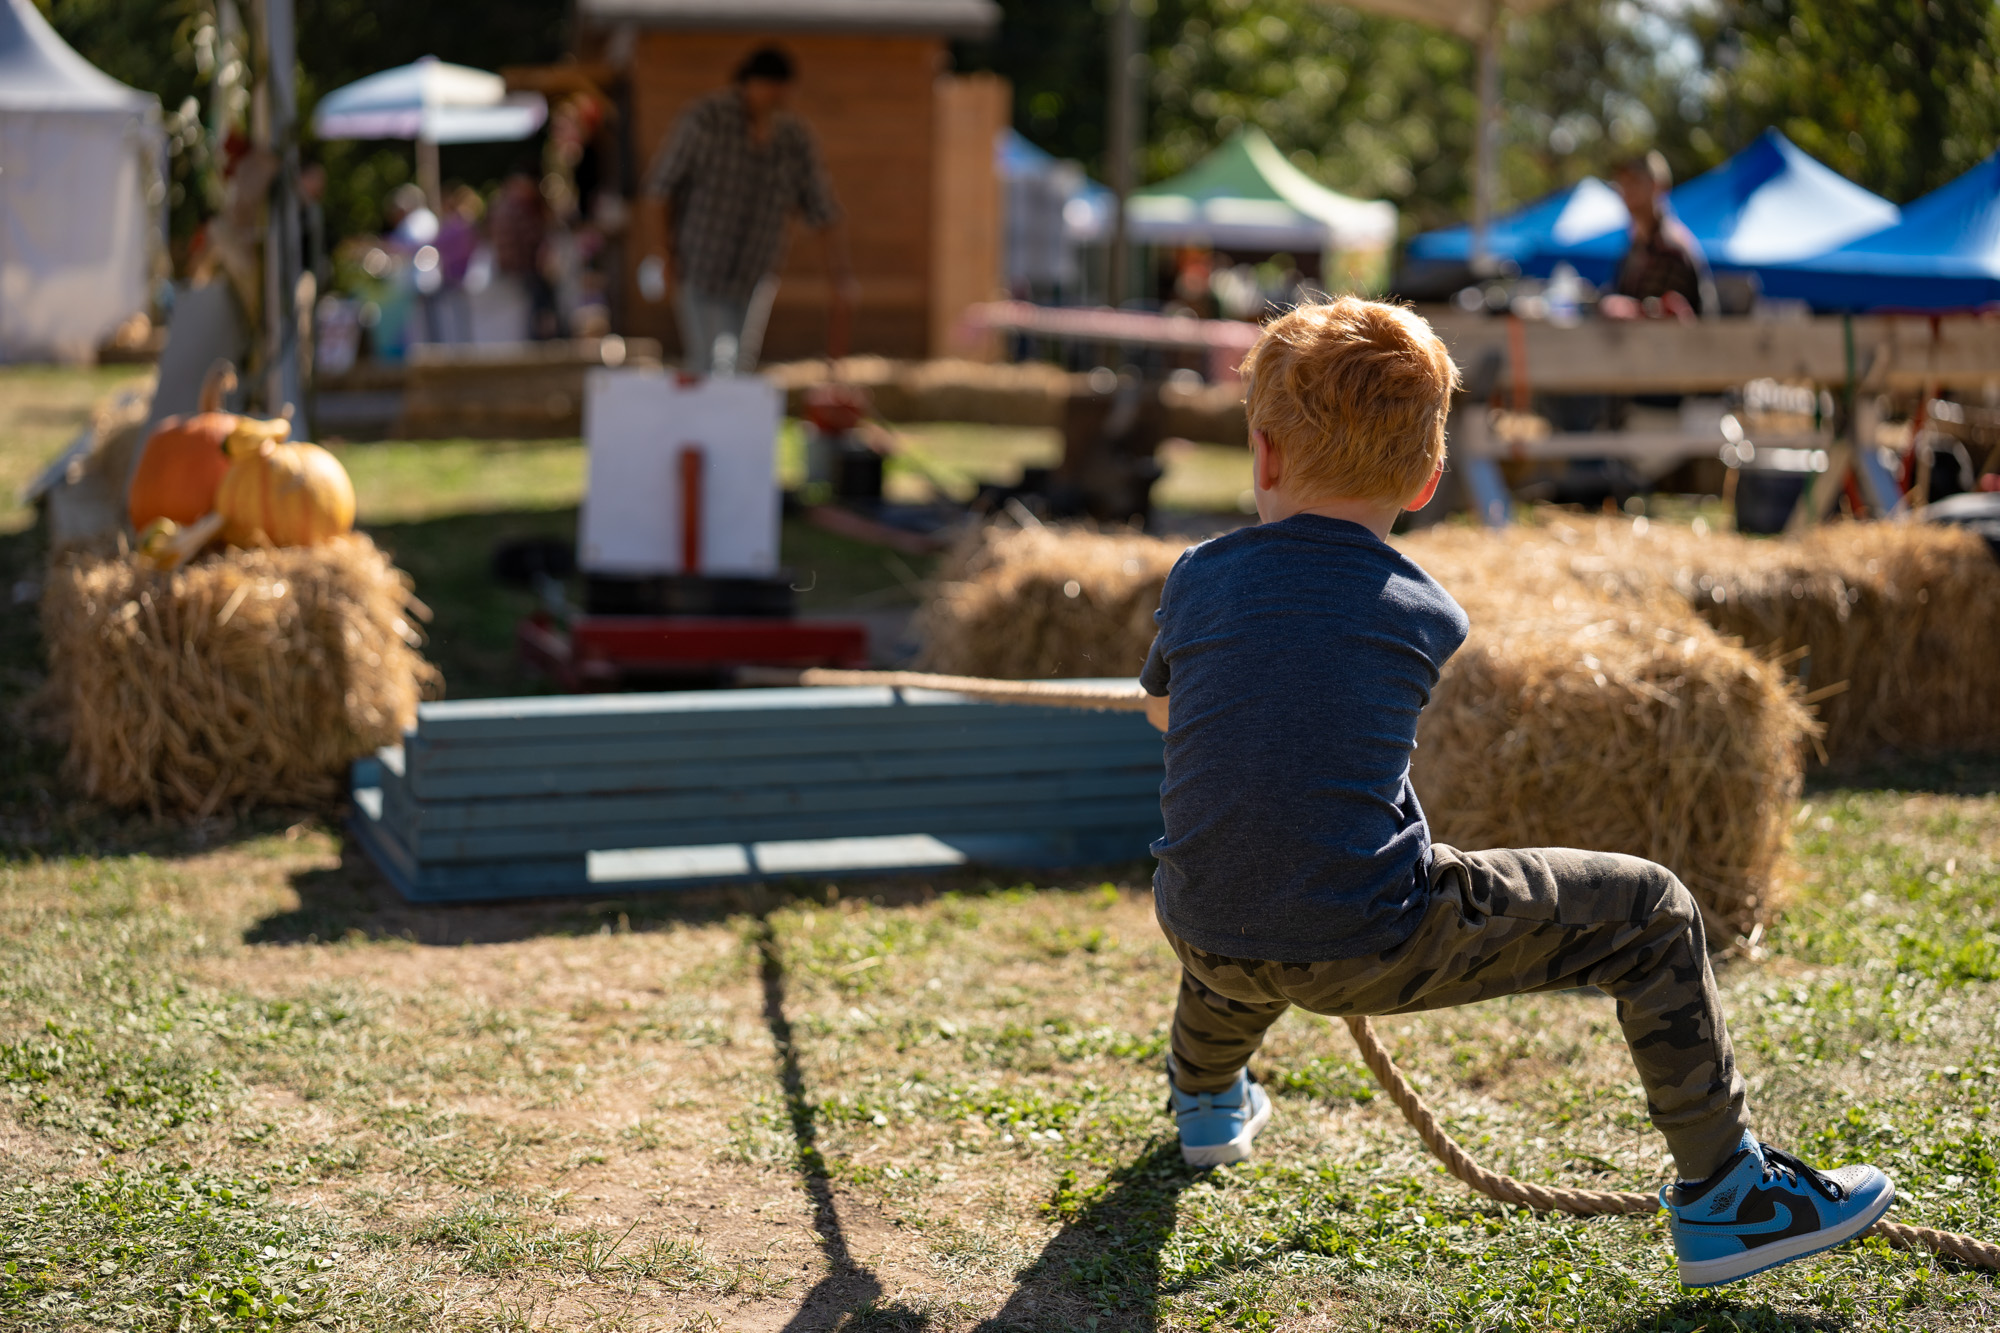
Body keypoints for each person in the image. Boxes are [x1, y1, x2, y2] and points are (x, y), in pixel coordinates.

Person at [1139, 296, 1894, 1289]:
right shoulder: (1422, 607)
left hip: (1199, 929)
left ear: (1263, 457)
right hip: (1368, 939)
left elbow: (1166, 715)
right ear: (1427, 476)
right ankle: (1726, 1198)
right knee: (1651, 909)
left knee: (1247, 870)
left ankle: (1204, 1099)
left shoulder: (1196, 577)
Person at [642, 44, 854, 375]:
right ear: (749, 83)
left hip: (755, 268)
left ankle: (730, 424)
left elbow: (822, 208)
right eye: (769, 86)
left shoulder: (793, 139)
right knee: (706, 360)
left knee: (741, 363)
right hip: (699, 263)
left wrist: (838, 276)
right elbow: (661, 189)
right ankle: (701, 424)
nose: (775, 96)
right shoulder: (706, 120)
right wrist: (663, 254)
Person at [1601, 151, 1713, 321]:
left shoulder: (1673, 249)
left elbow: (1673, 318)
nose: (1626, 190)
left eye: (1634, 182)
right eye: (1623, 182)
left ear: (1656, 186)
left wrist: (1635, 310)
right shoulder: (1635, 247)